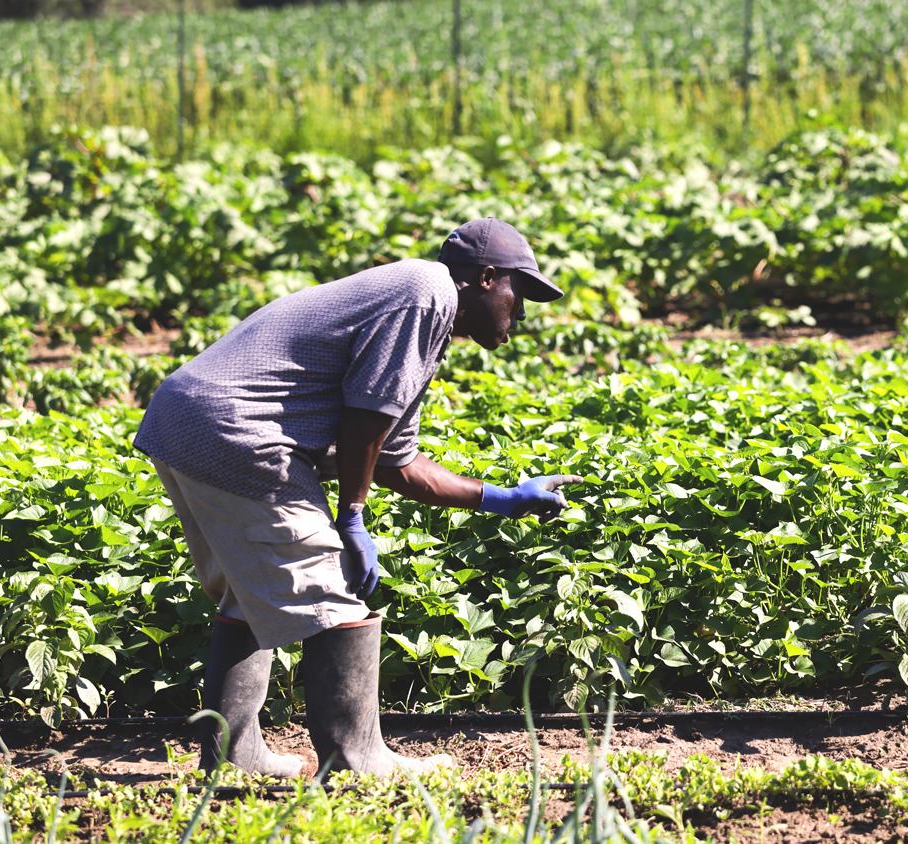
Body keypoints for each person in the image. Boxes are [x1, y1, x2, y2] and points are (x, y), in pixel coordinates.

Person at [134, 218, 581, 776]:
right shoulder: (427, 292)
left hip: (187, 421)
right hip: (239, 434)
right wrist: (350, 516)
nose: (521, 313)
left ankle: (233, 757)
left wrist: (498, 498)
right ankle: (356, 757)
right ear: (487, 278)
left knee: (247, 598)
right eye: (520, 293)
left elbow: (395, 459)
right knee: (334, 591)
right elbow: (364, 421)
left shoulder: (415, 310)